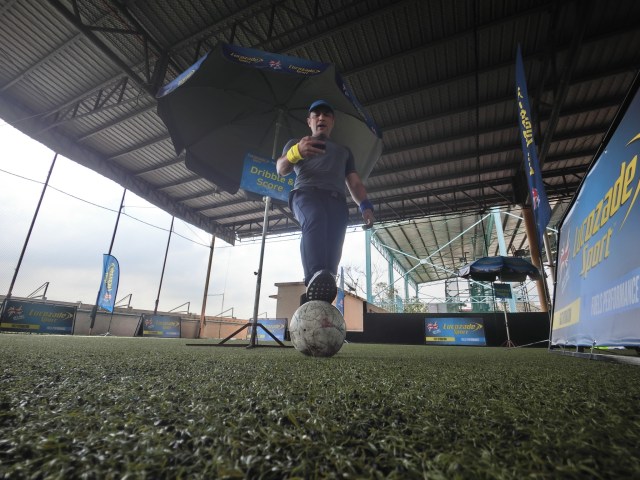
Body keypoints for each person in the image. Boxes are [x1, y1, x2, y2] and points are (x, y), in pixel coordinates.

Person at [276, 100, 375, 303]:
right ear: (309, 121)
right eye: (316, 114)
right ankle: (313, 276)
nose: (321, 117)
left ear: (332, 121)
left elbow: (354, 183)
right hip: (306, 194)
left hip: (336, 200)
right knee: (316, 218)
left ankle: (324, 286)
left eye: (326, 114)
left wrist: (365, 206)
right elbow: (281, 169)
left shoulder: (344, 151)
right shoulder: (297, 143)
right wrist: (296, 152)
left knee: (334, 244)